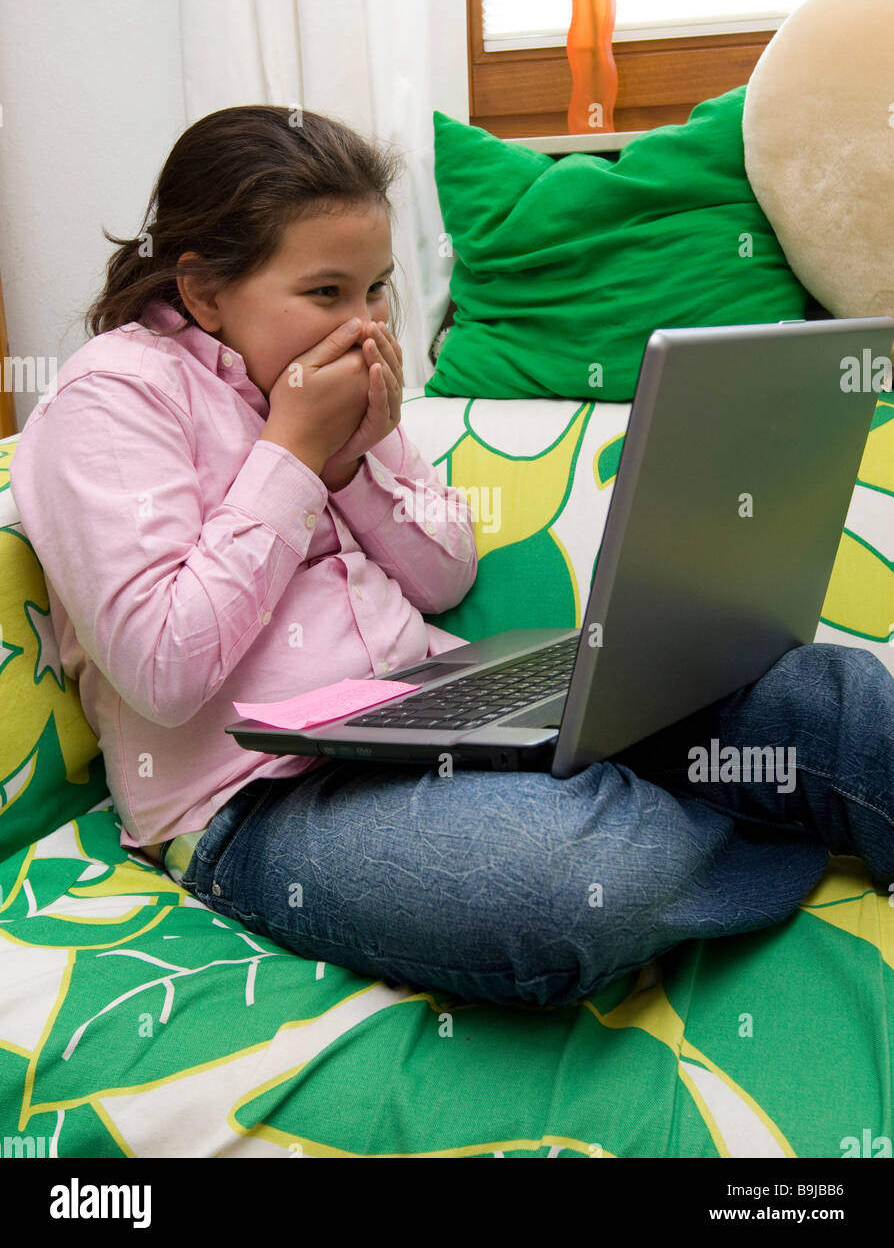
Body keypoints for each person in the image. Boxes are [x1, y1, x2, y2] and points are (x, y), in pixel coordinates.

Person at [11, 105, 894, 1011]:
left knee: (829, 696)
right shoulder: (109, 403)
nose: (363, 326)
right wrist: (291, 455)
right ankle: (749, 807)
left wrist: (353, 462)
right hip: (258, 798)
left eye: (377, 288)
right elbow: (162, 670)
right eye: (326, 292)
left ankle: (692, 790)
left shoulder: (335, 383)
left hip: (424, 704)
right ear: (202, 292)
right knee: (562, 885)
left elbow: (444, 577)